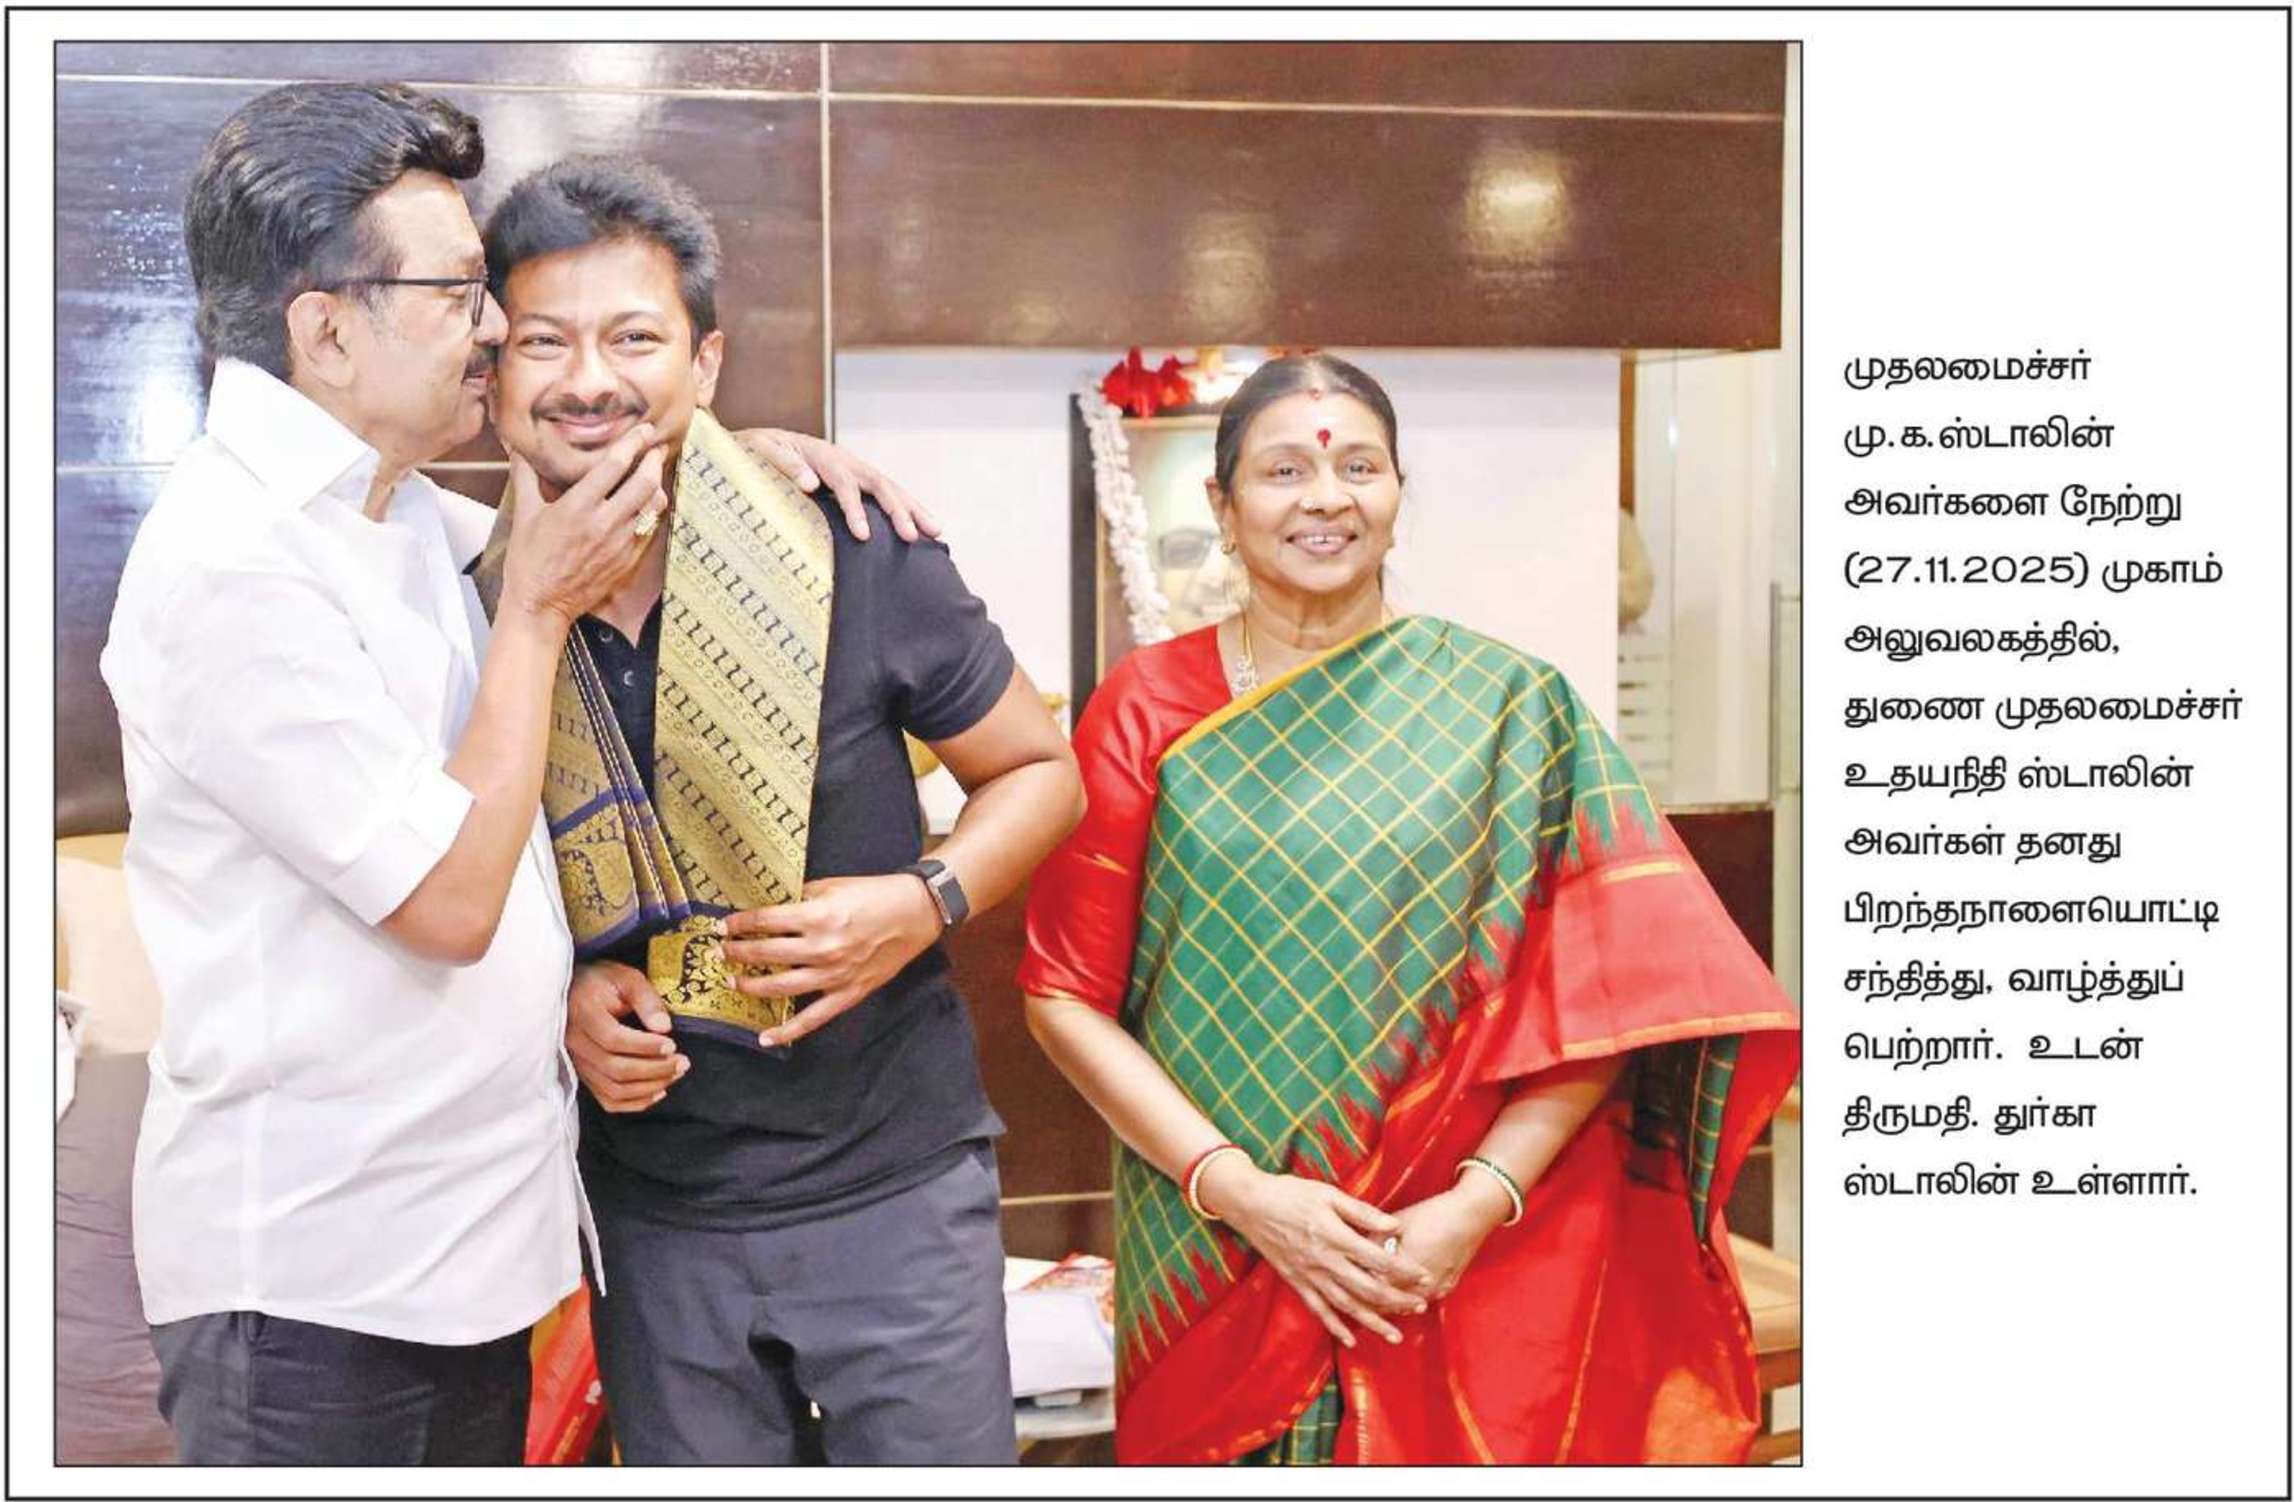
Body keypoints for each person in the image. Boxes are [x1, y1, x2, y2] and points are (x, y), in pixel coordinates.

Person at [101, 83, 930, 1466]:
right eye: (456, 292)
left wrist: (738, 469)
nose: (492, 328)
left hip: (462, 1258)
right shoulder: (232, 561)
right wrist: (535, 616)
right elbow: (445, 900)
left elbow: (614, 505)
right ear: (325, 329)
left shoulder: (391, 507)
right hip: (316, 1283)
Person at [1019, 354, 1801, 1465]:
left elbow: (1608, 1001)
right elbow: (1063, 996)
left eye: (1358, 466)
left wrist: (1474, 1205)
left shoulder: (1510, 708)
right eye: (1284, 470)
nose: (1325, 497)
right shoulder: (1144, 708)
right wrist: (1242, 1192)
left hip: (1450, 1247)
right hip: (1218, 1241)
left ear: (1396, 493)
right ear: (1222, 506)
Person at [475, 156, 1083, 1465]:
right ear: (494, 373)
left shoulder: (845, 541)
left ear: (705, 363)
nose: (589, 377)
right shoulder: (464, 603)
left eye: (634, 337)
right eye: (544, 341)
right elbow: (451, 875)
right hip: (649, 1213)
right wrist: (559, 995)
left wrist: (923, 900)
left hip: (892, 1186)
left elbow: (1041, 771)